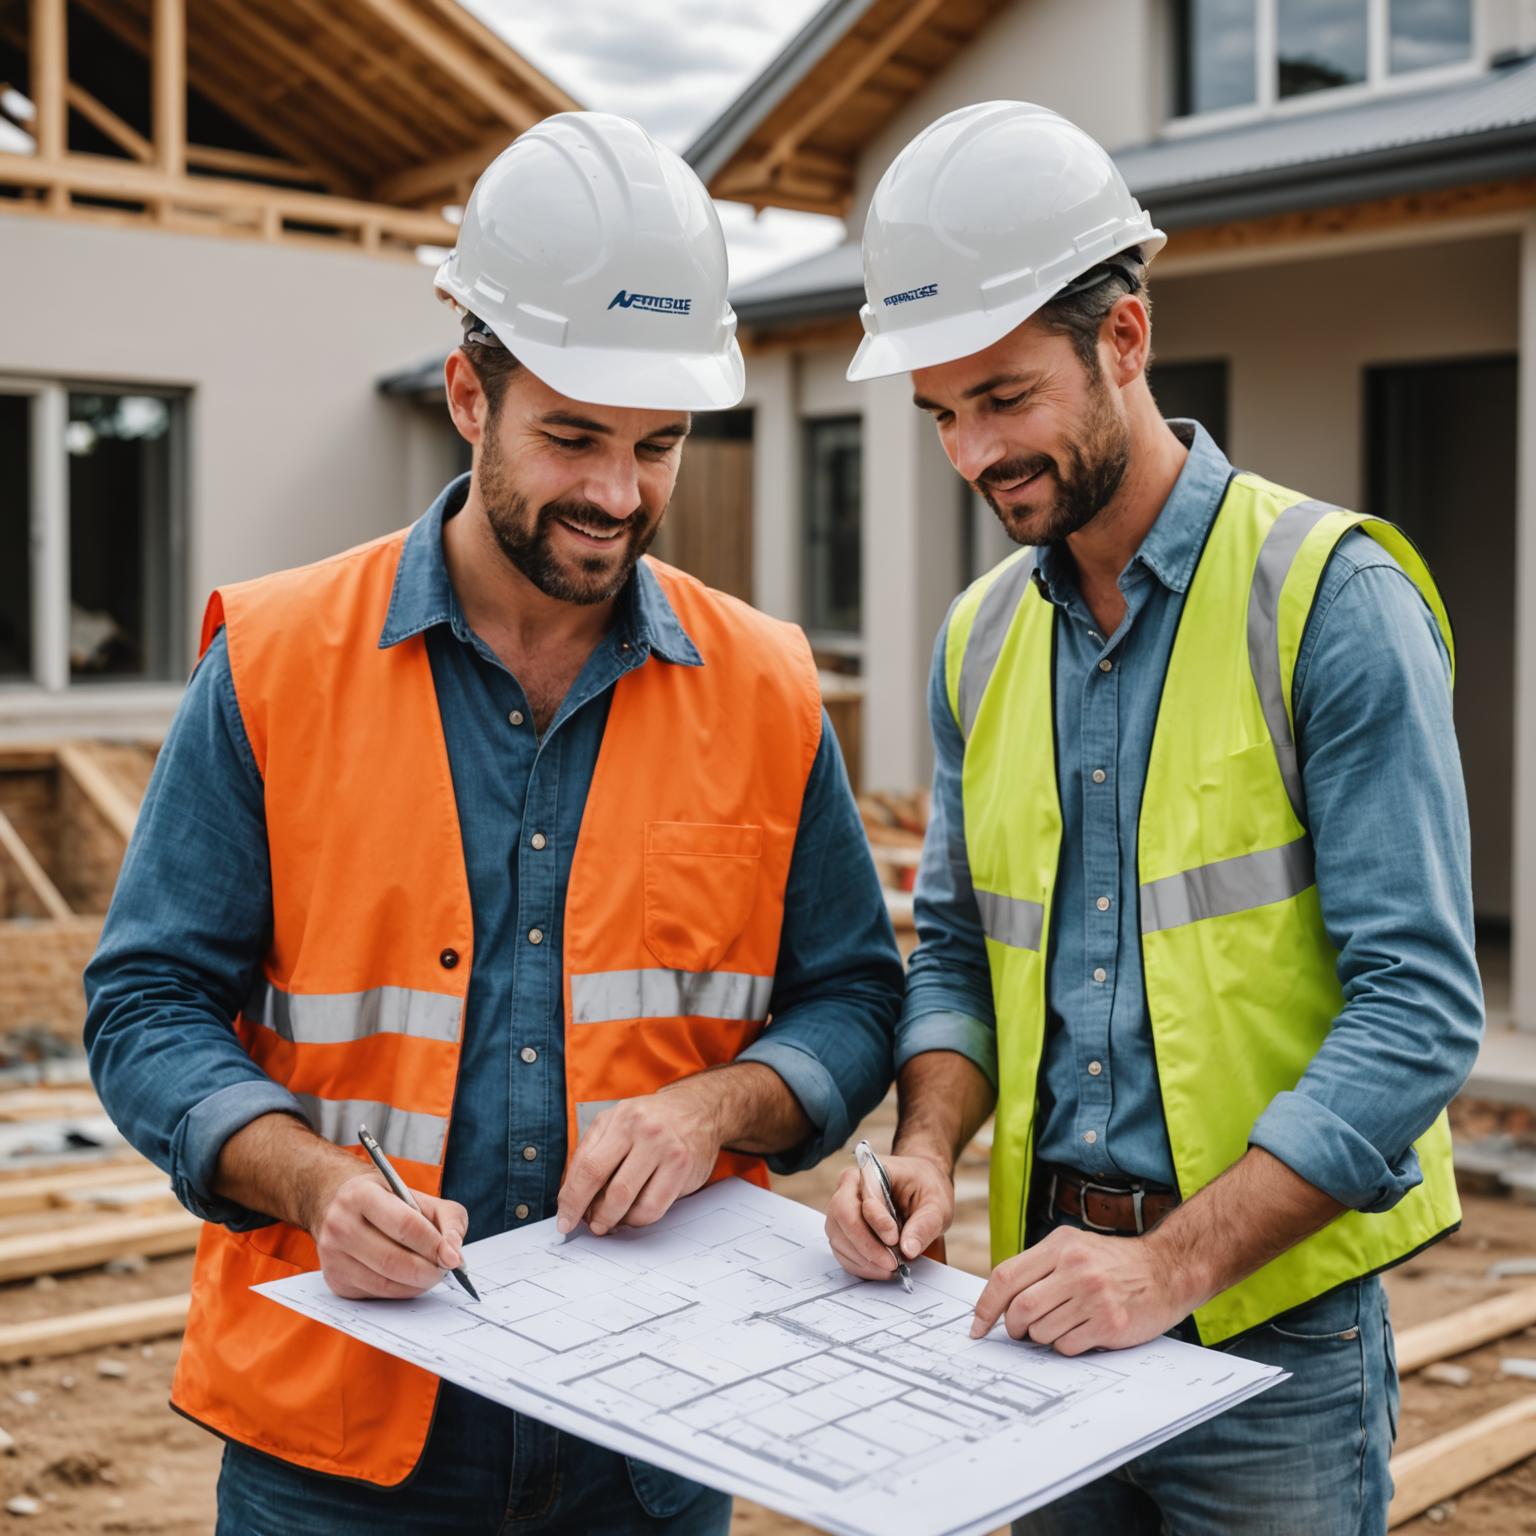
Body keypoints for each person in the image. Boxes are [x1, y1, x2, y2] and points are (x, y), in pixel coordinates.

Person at [85, 111, 902, 1535]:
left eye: (657, 447)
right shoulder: (277, 662)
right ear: (470, 393)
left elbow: (852, 996)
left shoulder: (765, 687)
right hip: (341, 1437)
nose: (615, 495)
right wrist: (313, 1181)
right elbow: (146, 1002)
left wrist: (715, 1107)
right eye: (572, 437)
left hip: (650, 1428)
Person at [825, 100, 1482, 1535]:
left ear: (1124, 337)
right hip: (1048, 1306)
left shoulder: (1329, 602)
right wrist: (925, 1150)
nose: (971, 454)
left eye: (1005, 399)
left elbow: (1421, 1008)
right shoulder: (978, 642)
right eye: (942, 414)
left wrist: (1171, 1268)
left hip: (1274, 1344)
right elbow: (956, 956)